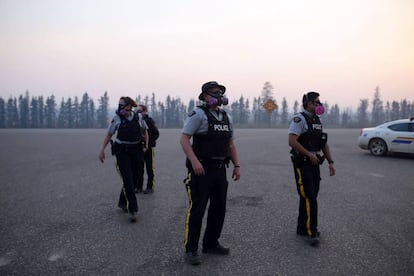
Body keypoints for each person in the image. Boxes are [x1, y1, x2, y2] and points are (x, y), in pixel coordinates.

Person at [180, 81, 241, 265]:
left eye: (220, 92)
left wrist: (237, 165)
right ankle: (191, 249)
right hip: (201, 170)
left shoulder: (225, 117)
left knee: (218, 208)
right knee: (197, 209)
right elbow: (184, 139)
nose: (218, 95)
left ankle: (211, 243)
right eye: (214, 92)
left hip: (220, 169)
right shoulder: (198, 114)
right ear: (205, 96)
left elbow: (230, 143)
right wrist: (195, 162)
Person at [288, 91, 336, 246]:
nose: (319, 105)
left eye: (319, 103)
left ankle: (302, 227)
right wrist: (308, 154)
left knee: (310, 196)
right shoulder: (299, 119)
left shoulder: (317, 120)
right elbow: (292, 141)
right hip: (302, 164)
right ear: (308, 103)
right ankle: (312, 231)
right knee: (310, 197)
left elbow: (324, 143)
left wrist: (330, 162)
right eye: (316, 102)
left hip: (315, 164)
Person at [99, 96, 149, 223]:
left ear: (129, 106)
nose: (120, 107)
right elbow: (109, 134)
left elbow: (145, 131)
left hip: (136, 150)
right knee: (127, 180)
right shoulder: (116, 119)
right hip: (122, 151)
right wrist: (102, 150)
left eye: (122, 104)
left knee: (135, 178)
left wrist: (146, 145)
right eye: (119, 104)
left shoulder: (138, 117)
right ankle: (133, 209)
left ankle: (122, 201)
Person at [140, 105, 160, 194]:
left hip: (149, 148)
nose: (139, 113)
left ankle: (150, 187)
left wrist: (149, 143)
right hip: (138, 148)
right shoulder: (137, 121)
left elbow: (156, 133)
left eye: (140, 111)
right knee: (139, 168)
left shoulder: (149, 121)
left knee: (149, 167)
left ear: (145, 111)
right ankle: (138, 186)